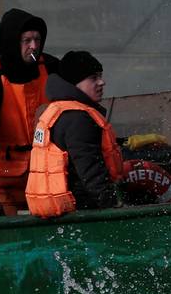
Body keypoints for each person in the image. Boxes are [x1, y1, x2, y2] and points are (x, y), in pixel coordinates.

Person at [0, 8, 58, 215]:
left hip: (48, 175)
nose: (34, 46)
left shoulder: (51, 68)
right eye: (27, 40)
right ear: (11, 42)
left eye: (37, 39)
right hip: (7, 180)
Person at [26, 51, 124, 215]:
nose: (102, 82)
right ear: (74, 84)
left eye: (100, 76)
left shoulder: (59, 110)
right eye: (93, 78)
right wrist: (114, 205)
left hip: (58, 212)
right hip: (80, 211)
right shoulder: (78, 118)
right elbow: (90, 170)